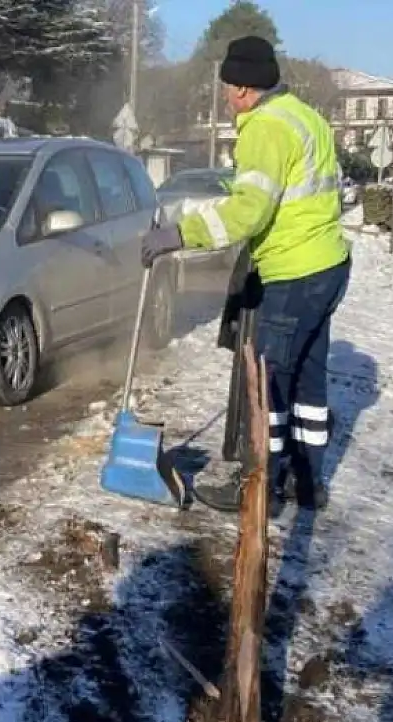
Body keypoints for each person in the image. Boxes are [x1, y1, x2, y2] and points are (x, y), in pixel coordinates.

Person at [142, 36, 351, 512]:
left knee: (267, 383)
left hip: (295, 269)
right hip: (328, 264)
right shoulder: (304, 115)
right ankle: (308, 481)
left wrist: (179, 234)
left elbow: (248, 212)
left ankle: (258, 488)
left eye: (225, 87)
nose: (224, 96)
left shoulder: (264, 128)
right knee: (307, 383)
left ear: (240, 88)